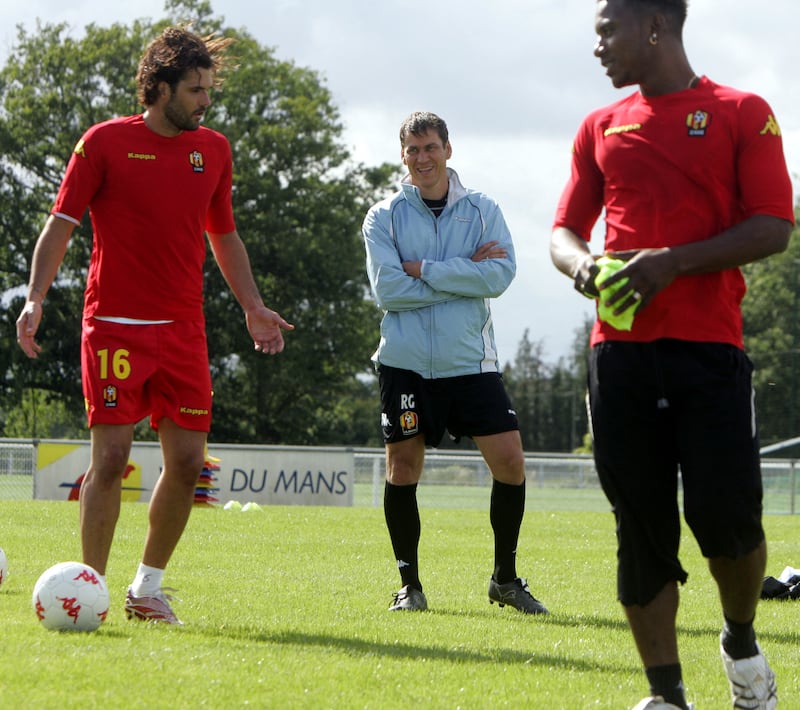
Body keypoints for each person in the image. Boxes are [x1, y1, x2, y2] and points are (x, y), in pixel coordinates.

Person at [550, 1, 794, 708]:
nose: (598, 48)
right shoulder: (599, 126)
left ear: (654, 24)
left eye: (607, 32)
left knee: (727, 522)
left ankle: (741, 639)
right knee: (641, 526)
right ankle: (667, 695)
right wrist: (581, 266)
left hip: (710, 354)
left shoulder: (742, 110)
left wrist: (672, 263)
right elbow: (562, 230)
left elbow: (774, 226)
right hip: (619, 358)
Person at [15, 27, 294, 625]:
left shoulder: (213, 150)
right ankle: (91, 587)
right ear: (160, 87)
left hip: (183, 330)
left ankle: (148, 587)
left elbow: (223, 233)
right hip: (113, 327)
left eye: (210, 90)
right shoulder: (103, 143)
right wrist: (36, 297)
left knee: (190, 462)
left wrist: (252, 304)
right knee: (112, 458)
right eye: (196, 89)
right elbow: (61, 223)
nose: (206, 101)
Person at [363, 111, 548, 615]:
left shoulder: (483, 209)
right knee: (403, 471)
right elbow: (388, 290)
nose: (423, 158)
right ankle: (410, 586)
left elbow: (500, 277)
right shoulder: (383, 216)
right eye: (413, 150)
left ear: (448, 149)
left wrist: (423, 270)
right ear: (403, 156)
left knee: (510, 464)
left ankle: (505, 581)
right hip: (404, 365)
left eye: (431, 147)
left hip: (471, 362)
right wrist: (464, 273)